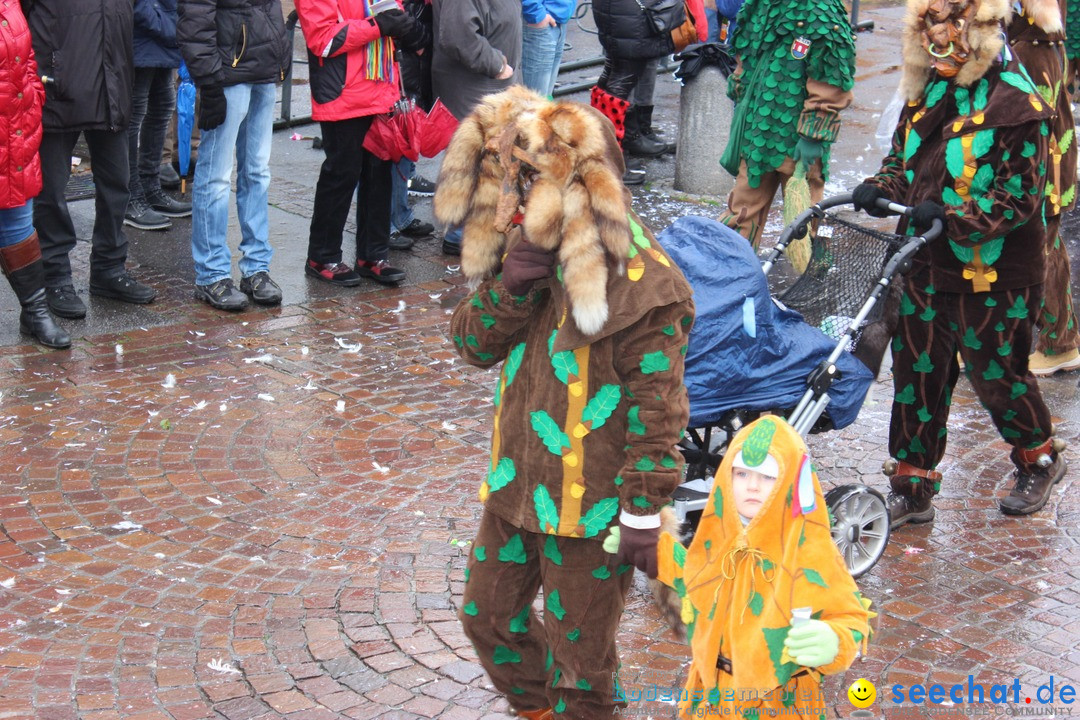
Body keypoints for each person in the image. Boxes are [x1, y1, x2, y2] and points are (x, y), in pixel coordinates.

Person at [440, 88, 694, 719]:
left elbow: (657, 414)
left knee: (581, 670)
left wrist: (641, 512)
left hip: (592, 512)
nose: (514, 201)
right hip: (515, 488)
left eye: (528, 184)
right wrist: (512, 283)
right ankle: (538, 709)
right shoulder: (525, 251)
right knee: (486, 618)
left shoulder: (649, 286)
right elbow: (471, 345)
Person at [852, 0, 1066, 526]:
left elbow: (1019, 197)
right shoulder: (928, 89)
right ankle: (912, 484)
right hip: (925, 264)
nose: (939, 41)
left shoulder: (1019, 103)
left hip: (996, 274)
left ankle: (1039, 458)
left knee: (998, 376)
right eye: (929, 28)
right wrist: (880, 188)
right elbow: (903, 161)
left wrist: (951, 214)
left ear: (981, 31)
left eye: (952, 27)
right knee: (917, 374)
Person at [648, 417, 872, 718]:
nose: (752, 486)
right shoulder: (719, 534)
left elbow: (853, 616)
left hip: (778, 703)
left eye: (767, 477)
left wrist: (836, 639)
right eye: (742, 473)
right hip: (713, 695)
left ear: (791, 481)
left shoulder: (810, 551)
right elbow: (695, 576)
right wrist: (650, 539)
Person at [24, 0, 158, 319]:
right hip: (56, 86)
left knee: (117, 186)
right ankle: (55, 277)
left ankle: (109, 268)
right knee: (51, 192)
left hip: (111, 83)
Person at [296, 0, 424, 287]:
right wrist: (379, 26)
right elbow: (323, 39)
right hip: (342, 91)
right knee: (342, 173)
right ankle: (322, 256)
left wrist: (403, 24)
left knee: (379, 173)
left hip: (379, 87)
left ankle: (373, 255)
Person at [177, 0, 291, 310]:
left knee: (256, 172)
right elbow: (195, 20)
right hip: (229, 73)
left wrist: (280, 56)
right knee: (216, 177)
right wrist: (211, 82)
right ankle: (212, 272)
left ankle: (256, 267)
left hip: (262, 69)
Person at [716, 0, 855, 248]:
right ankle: (735, 266)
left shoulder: (820, 10)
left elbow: (832, 74)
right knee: (742, 209)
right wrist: (740, 87)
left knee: (805, 214)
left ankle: (812, 268)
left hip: (798, 134)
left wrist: (815, 132)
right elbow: (745, 52)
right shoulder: (759, 5)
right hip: (758, 130)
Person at [1007, 0, 1080, 375]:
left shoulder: (1032, 50)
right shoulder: (1029, 41)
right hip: (1035, 172)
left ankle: (1059, 344)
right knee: (1041, 250)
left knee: (1043, 253)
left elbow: (1031, 121)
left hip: (1042, 172)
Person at [0, 1, 68, 349]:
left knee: (18, 224)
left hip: (15, 131)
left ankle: (35, 312)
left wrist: (33, 94)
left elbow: (24, 56)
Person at [431, 0, 521, 256]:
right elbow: (458, 36)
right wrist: (496, 65)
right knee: (475, 161)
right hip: (476, 87)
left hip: (490, 85)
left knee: (491, 163)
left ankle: (476, 230)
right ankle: (463, 234)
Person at [590, 0, 705, 185]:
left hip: (617, 11)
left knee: (613, 76)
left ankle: (602, 148)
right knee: (620, 82)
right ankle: (609, 157)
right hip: (633, 14)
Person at [126, 0, 192, 232]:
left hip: (162, 33)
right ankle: (130, 196)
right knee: (134, 116)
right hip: (145, 34)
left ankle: (150, 188)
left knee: (163, 106)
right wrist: (168, 24)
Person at [520, 0, 576, 98]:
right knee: (534, 103)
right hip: (540, 19)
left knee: (544, 98)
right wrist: (536, 13)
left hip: (557, 18)